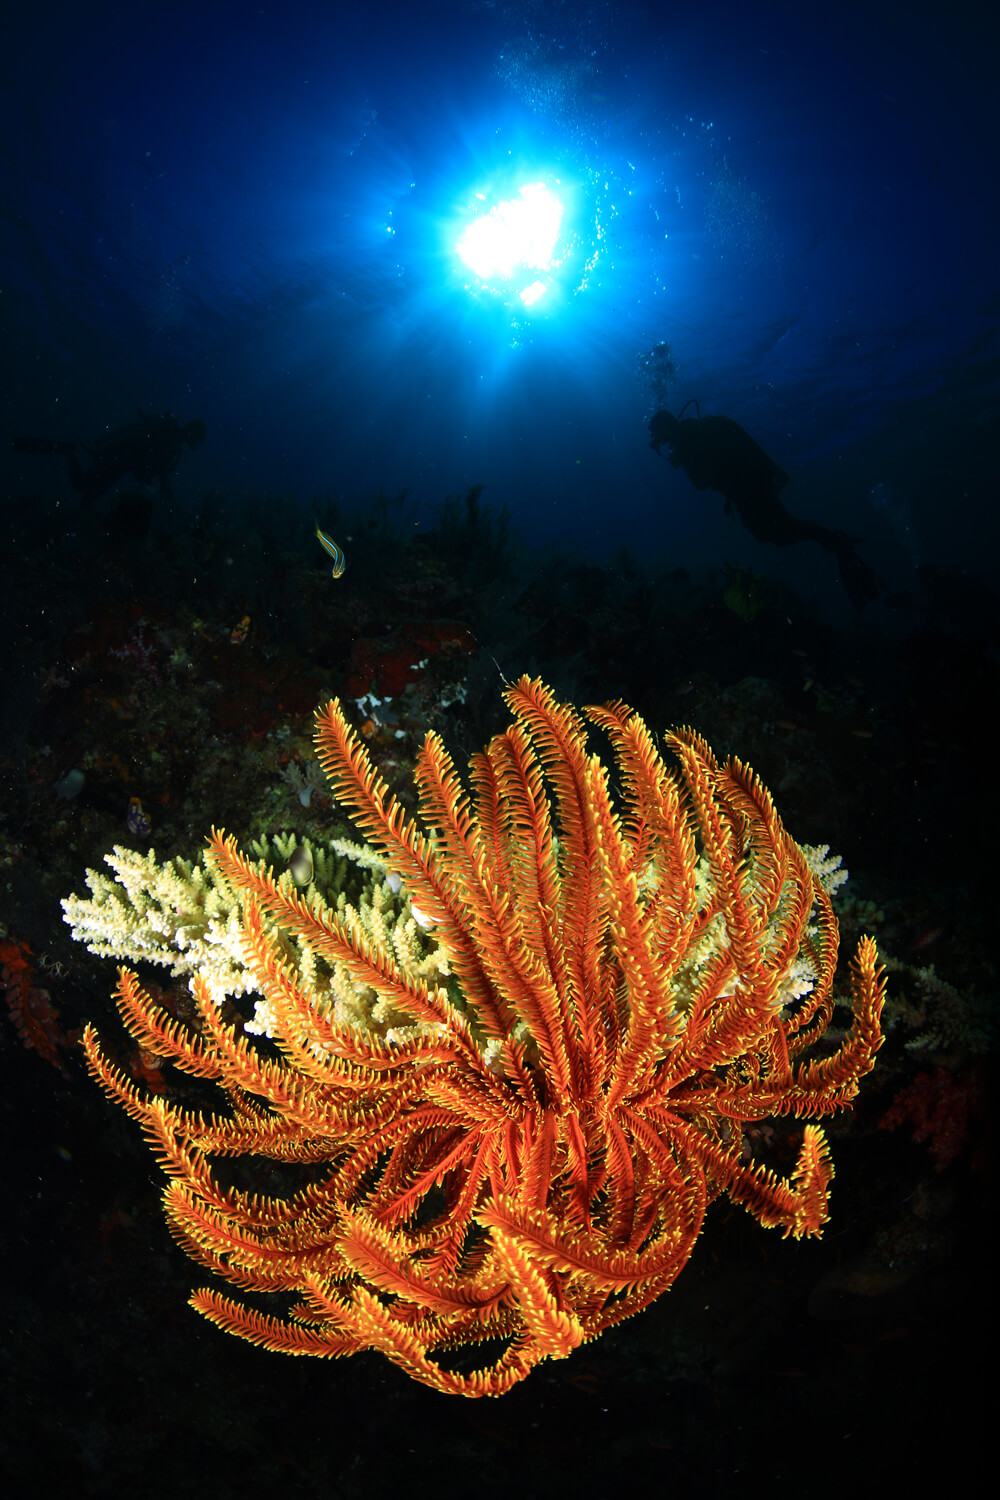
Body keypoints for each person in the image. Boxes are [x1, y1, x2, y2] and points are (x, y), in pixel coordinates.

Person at [650, 403, 882, 610]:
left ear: (665, 428)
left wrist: (678, 459)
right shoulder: (693, 431)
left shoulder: (686, 440)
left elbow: (701, 483)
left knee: (777, 532)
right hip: (750, 485)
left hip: (748, 489)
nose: (657, 439)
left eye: (657, 433)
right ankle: (832, 542)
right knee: (773, 532)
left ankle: (833, 542)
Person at [12, 409, 206, 505]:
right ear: (191, 433)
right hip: (118, 460)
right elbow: (155, 465)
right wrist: (162, 488)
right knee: (83, 488)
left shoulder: (173, 442)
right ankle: (68, 451)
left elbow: (151, 466)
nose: (195, 444)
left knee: (86, 495)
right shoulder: (170, 437)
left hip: (120, 464)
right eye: (196, 439)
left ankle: (68, 451)